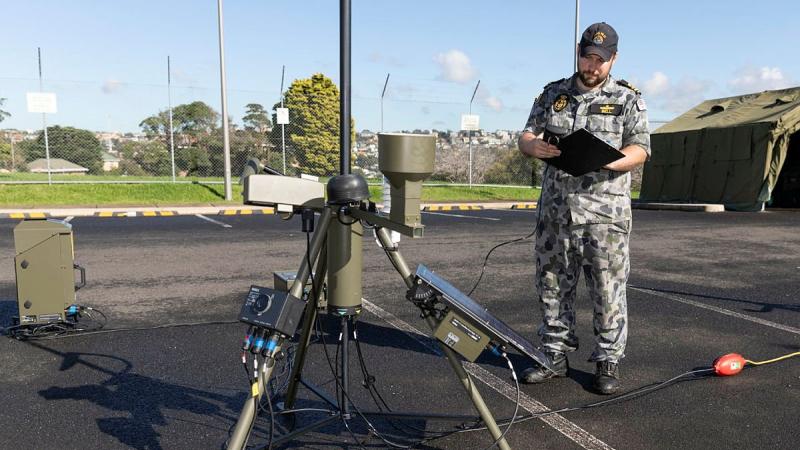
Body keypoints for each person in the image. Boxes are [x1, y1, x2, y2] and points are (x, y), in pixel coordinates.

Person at [517, 22, 650, 394]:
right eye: (587, 57)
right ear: (578, 52)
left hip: (604, 216)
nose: (592, 66)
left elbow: (641, 148)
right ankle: (554, 355)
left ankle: (608, 360)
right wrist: (533, 147)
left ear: (613, 60)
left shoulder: (627, 99)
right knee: (552, 284)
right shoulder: (553, 93)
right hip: (556, 214)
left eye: (600, 60)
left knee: (607, 288)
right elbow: (527, 133)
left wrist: (609, 160)